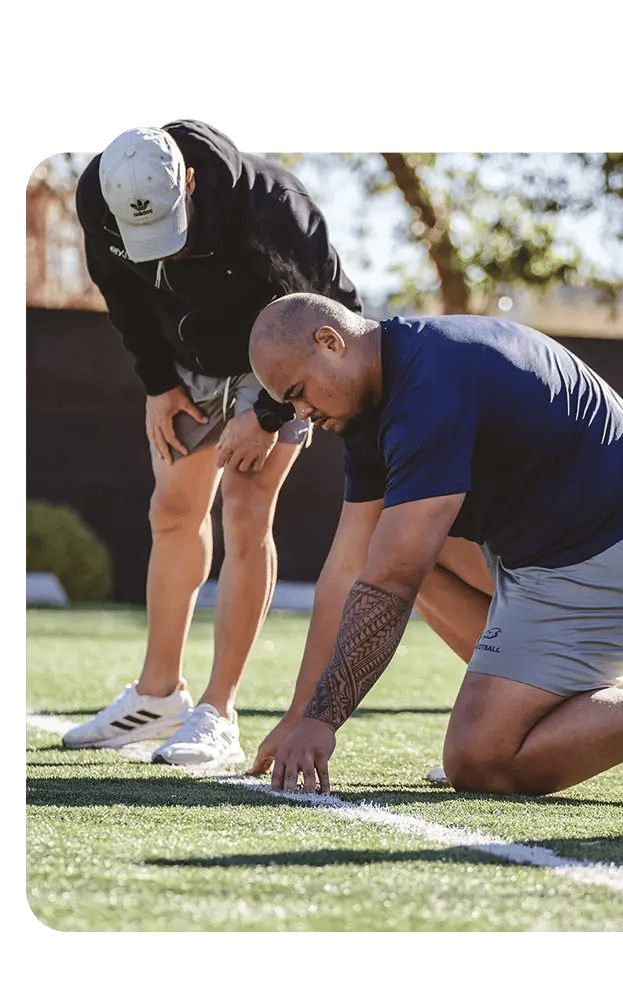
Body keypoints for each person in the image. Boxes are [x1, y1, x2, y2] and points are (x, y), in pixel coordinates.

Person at [247, 293, 623, 804]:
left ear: (331, 341)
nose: (299, 414)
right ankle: (537, 713)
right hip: (557, 558)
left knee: (481, 762)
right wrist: (302, 716)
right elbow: (347, 568)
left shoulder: (429, 379)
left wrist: (324, 720)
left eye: (297, 392)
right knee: (390, 545)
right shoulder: (371, 401)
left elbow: (391, 580)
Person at [63, 121, 364, 766]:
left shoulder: (274, 211)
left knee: (247, 509)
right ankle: (158, 694)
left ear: (190, 183)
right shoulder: (98, 202)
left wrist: (272, 410)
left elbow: (327, 318)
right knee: (171, 512)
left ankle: (217, 711)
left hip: (280, 355)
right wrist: (157, 384)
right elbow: (124, 297)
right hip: (188, 359)